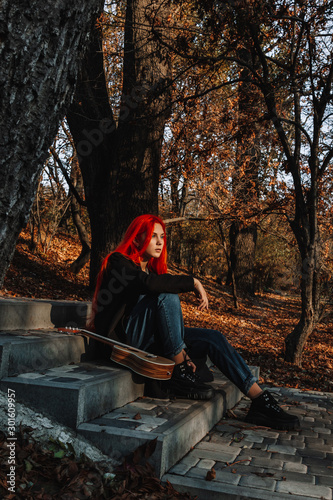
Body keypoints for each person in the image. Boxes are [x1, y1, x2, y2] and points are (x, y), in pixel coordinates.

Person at [89, 214, 299, 431]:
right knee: (166, 294)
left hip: (152, 339)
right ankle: (180, 370)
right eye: (153, 236)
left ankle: (260, 400)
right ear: (136, 239)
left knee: (213, 338)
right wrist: (193, 282)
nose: (160, 242)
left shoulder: (152, 270)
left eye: (162, 236)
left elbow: (156, 294)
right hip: (128, 342)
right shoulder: (118, 262)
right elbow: (148, 285)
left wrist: (182, 350)